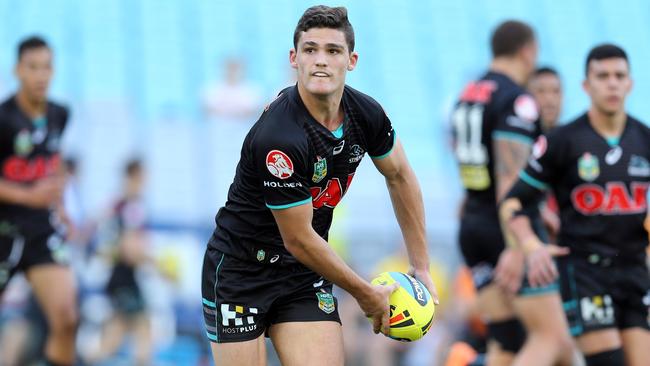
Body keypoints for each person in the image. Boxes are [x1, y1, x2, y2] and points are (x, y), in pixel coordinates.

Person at [201, 5, 438, 366]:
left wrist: (420, 266)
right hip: (240, 273)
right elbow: (297, 238)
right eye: (310, 50)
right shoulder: (279, 136)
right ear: (294, 58)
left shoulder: (367, 114)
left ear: (352, 60)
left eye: (333, 50)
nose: (321, 60)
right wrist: (364, 293)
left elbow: (400, 176)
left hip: (301, 275)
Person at [501, 44, 650, 366]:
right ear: (586, 85)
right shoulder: (564, 141)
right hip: (586, 273)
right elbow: (513, 202)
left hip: (636, 272)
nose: (612, 83)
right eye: (603, 76)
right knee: (609, 361)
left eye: (619, 76)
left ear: (630, 84)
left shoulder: (644, 138)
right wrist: (530, 245)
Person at [452, 20, 573, 366]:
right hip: (505, 230)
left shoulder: (468, 94)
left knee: (506, 341)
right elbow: (510, 181)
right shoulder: (517, 100)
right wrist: (519, 245)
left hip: (472, 226)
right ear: (527, 51)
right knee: (552, 339)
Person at [0, 36, 77, 366]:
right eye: (33, 67)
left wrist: (61, 208)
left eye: (46, 67)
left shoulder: (60, 113)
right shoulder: (3, 120)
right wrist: (28, 195)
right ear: (18, 70)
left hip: (41, 231)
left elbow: (53, 160)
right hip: (3, 230)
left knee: (67, 318)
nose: (41, 75)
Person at [88, 159, 153, 365]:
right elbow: (129, 250)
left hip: (118, 277)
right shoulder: (132, 205)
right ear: (134, 176)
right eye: (142, 176)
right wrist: (154, 261)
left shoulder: (116, 205)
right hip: (123, 277)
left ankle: (86, 359)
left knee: (117, 335)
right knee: (140, 331)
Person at [528, 67, 563, 240]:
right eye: (540, 92)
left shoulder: (572, 142)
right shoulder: (520, 144)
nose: (549, 100)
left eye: (555, 92)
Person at [528, 67, 563, 133]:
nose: (549, 99)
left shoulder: (571, 138)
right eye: (541, 91)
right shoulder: (520, 138)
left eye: (556, 91)